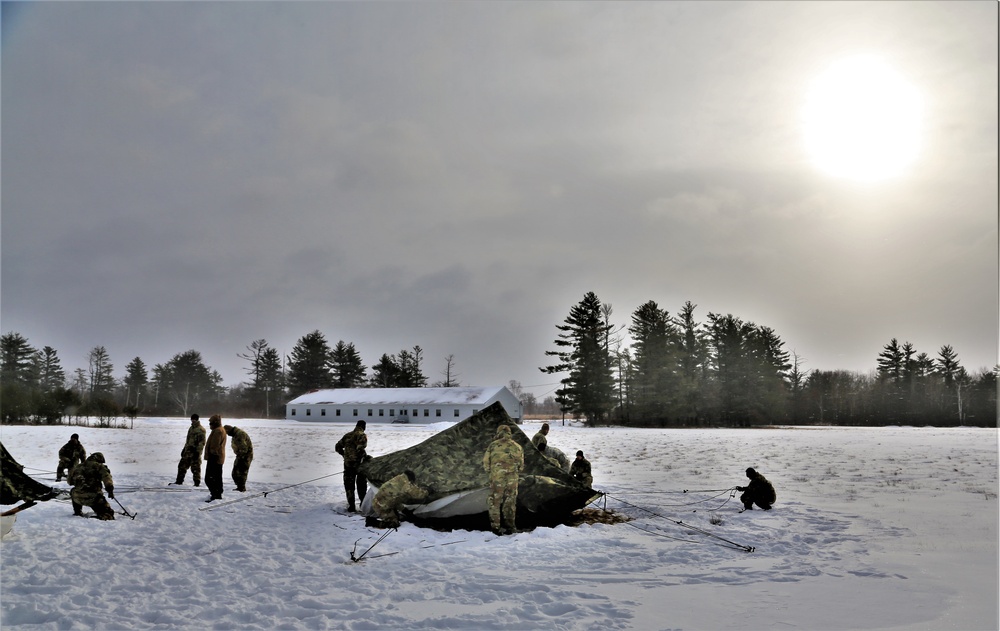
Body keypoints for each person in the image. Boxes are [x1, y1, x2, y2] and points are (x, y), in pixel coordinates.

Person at [483, 424, 523, 535]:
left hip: (497, 479)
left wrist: (493, 473)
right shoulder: (518, 446)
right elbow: (521, 466)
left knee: (495, 501)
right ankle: (510, 527)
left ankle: (496, 528)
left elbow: (486, 464)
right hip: (512, 479)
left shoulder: (492, 446)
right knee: (510, 502)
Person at [68, 452, 115, 520]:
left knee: (73, 490)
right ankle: (101, 516)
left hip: (77, 498)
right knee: (109, 514)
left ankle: (77, 512)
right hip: (93, 499)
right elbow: (106, 477)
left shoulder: (77, 466)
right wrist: (109, 488)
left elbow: (70, 482)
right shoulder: (99, 466)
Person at [335, 420, 367, 512]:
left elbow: (337, 447)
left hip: (348, 465)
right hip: (360, 465)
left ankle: (351, 506)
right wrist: (364, 458)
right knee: (361, 485)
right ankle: (363, 504)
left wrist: (344, 455)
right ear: (364, 427)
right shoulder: (362, 435)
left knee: (349, 486)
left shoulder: (347, 435)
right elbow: (361, 449)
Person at [172, 414, 206, 486]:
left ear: (197, 419)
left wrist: (198, 452)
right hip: (187, 452)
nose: (193, 420)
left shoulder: (201, 430)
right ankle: (179, 481)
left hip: (195, 452)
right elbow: (188, 440)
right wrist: (184, 449)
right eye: (192, 419)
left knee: (195, 468)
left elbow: (202, 442)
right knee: (182, 466)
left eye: (194, 419)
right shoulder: (191, 428)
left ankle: (197, 483)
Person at [203, 414, 227, 502]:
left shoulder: (218, 431)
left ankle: (216, 494)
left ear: (215, 423)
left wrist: (212, 457)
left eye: (211, 423)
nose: (210, 425)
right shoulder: (220, 430)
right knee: (217, 478)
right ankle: (217, 494)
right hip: (218, 458)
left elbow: (214, 446)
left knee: (209, 478)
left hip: (215, 458)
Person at [223, 425, 253, 492]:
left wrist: (241, 457)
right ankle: (239, 486)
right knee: (235, 473)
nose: (227, 435)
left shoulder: (239, 435)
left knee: (242, 472)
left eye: (227, 433)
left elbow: (244, 448)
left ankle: (241, 488)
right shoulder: (235, 435)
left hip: (245, 456)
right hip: (240, 455)